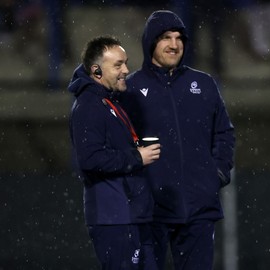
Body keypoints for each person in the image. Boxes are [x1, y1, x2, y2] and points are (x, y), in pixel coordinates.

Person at [121, 10, 235, 270]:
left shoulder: (203, 84)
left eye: (179, 38)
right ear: (151, 42)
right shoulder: (130, 89)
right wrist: (137, 189)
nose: (174, 44)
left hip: (198, 210)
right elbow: (118, 143)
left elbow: (224, 133)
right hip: (150, 212)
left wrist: (215, 175)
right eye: (165, 38)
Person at [68, 36, 161, 269]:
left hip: (130, 214)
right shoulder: (89, 105)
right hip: (115, 216)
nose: (126, 70)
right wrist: (137, 157)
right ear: (96, 70)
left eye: (125, 63)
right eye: (118, 65)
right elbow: (90, 159)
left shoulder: (109, 102)